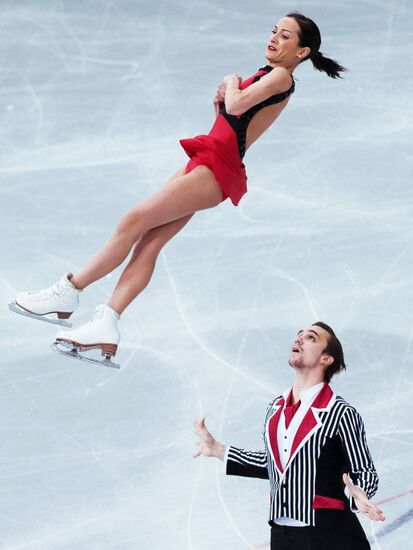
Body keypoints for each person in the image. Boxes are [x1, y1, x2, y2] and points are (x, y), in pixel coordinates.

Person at [11, 14, 346, 363]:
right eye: (274, 31)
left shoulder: (281, 76)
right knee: (148, 240)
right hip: (207, 160)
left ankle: (69, 290)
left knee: (135, 219)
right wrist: (223, 100)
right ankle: (106, 325)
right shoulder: (269, 74)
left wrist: (230, 84)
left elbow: (236, 105)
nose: (275, 38)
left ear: (302, 51)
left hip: (217, 169)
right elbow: (233, 115)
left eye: (286, 36)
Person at [193, 322, 385, 549]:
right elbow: (274, 466)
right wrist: (219, 450)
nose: (299, 340)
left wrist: (359, 493)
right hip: (283, 536)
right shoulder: (275, 409)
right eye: (298, 335)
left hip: (331, 533)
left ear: (326, 358)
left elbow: (365, 471)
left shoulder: (340, 413)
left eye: (311, 338)